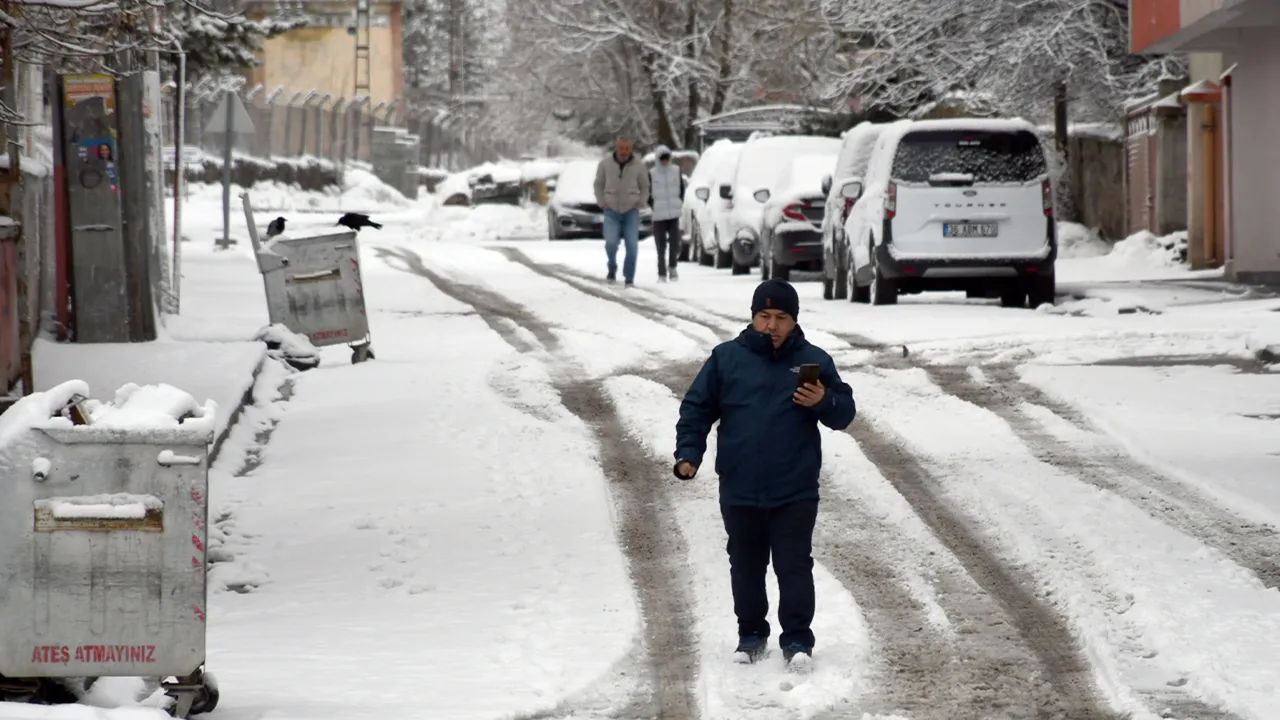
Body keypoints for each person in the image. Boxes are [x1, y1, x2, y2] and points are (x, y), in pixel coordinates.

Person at [673, 279, 856, 670]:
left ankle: (797, 641)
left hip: (795, 486)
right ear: (753, 317)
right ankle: (751, 635)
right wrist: (689, 453)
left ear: (794, 321)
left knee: (793, 564)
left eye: (781, 318)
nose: (771, 326)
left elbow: (844, 415)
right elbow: (696, 409)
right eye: (764, 316)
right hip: (740, 484)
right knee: (746, 563)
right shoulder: (726, 359)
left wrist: (825, 401)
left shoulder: (814, 361)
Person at [593, 136, 650, 287]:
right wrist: (601, 201)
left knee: (632, 245)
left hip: (631, 210)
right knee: (611, 242)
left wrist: (642, 201)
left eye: (626, 149)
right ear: (616, 148)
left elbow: (645, 186)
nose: (624, 152)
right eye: (621, 148)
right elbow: (598, 184)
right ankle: (612, 266)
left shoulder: (639, 166)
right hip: (611, 209)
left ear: (630, 149)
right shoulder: (605, 164)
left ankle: (629, 277)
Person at [647, 145, 685, 282]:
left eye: (667, 158)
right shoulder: (652, 174)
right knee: (661, 246)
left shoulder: (676, 171)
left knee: (675, 243)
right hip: (658, 216)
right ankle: (661, 273)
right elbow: (647, 193)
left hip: (673, 214)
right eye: (662, 158)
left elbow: (681, 188)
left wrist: (679, 202)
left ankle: (673, 267)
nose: (664, 161)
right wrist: (653, 205)